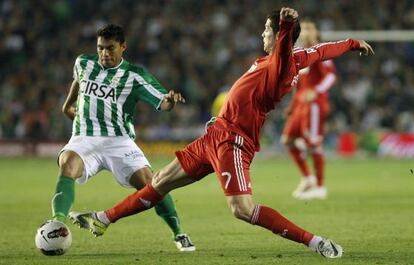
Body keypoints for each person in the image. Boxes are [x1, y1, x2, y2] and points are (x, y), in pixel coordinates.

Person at [70, 8, 374, 258]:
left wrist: (286, 22)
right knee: (161, 181)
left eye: (266, 30)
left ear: (278, 36)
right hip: (215, 136)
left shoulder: (282, 65)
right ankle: (102, 219)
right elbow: (320, 51)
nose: (262, 34)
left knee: (242, 209)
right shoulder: (285, 59)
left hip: (234, 142)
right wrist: (351, 42)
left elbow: (288, 44)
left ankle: (315, 242)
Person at [50, 24, 195, 251]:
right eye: (100, 48)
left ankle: (179, 233)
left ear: (123, 47)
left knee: (153, 183)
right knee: (67, 163)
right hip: (85, 137)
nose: (104, 53)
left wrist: (171, 100)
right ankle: (56, 223)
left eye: (110, 48)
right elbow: (77, 86)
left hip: (119, 141)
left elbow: (163, 101)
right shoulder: (83, 63)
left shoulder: (135, 76)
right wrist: (68, 107)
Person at [281, 18, 337, 200]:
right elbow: (298, 86)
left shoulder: (320, 52)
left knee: (313, 143)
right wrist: (291, 106)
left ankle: (320, 187)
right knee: (288, 140)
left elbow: (330, 77)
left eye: (309, 28)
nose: (305, 32)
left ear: (316, 33)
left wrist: (316, 91)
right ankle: (308, 178)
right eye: (302, 28)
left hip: (314, 105)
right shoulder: (300, 55)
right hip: (300, 106)